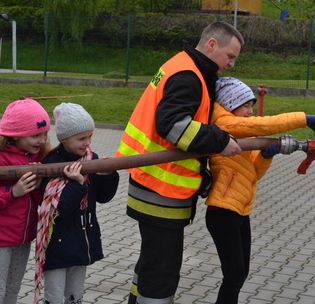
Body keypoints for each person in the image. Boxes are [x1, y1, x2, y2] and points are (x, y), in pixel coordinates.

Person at [115, 21, 245, 304]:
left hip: (151, 184)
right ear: (212, 44)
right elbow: (173, 125)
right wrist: (219, 140)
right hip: (162, 191)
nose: (232, 64)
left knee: (150, 265)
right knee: (162, 273)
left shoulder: (181, 65)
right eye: (230, 56)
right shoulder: (188, 75)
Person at [206, 77, 315, 304]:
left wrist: (265, 156)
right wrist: (304, 119)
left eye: (252, 106)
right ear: (231, 104)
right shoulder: (225, 125)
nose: (250, 112)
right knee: (233, 276)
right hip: (222, 212)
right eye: (246, 106)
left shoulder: (239, 131)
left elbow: (253, 174)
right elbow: (263, 125)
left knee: (240, 274)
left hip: (240, 212)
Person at [35, 103, 119, 304]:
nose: (87, 142)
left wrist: (108, 174)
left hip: (82, 241)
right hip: (57, 245)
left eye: (90, 136)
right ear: (64, 139)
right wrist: (78, 184)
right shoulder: (51, 165)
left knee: (75, 296)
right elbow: (60, 207)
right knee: (54, 298)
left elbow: (104, 197)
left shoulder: (92, 159)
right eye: (81, 138)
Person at [0, 98, 50, 304]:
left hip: (22, 238)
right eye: (35, 135)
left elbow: (37, 200)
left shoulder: (35, 158)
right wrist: (13, 192)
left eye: (45, 133)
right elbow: (14, 195)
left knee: (13, 287)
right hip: (2, 240)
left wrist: (37, 187)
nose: (42, 139)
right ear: (16, 135)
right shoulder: (3, 159)